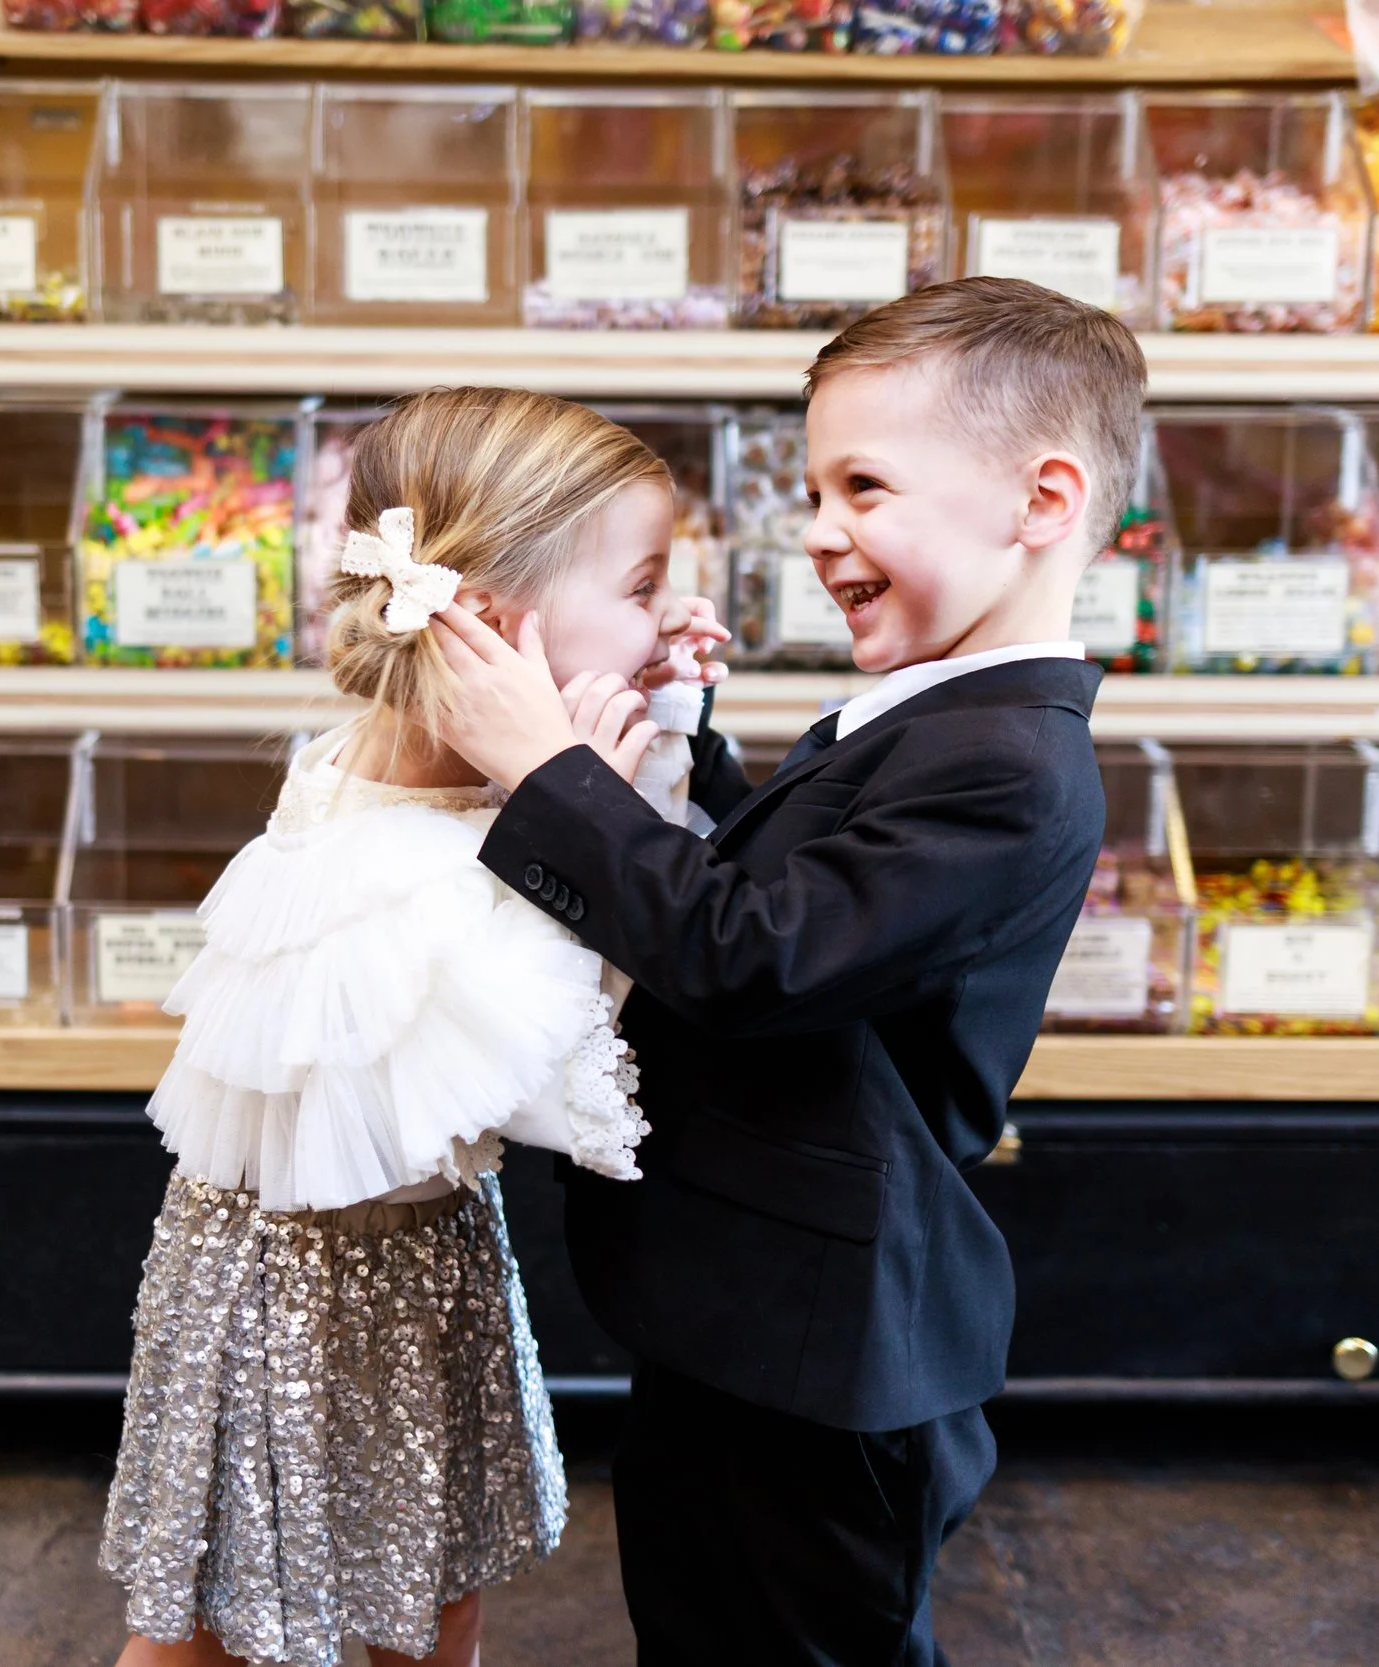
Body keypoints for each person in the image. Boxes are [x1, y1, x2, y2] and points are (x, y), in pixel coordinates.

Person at [431, 277, 1143, 1664]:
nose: (821, 533)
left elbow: (753, 955)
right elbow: (791, 888)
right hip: (760, 1322)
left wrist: (544, 768)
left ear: (1043, 499)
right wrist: (682, 741)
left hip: (830, 1363)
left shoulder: (1008, 762)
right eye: (816, 490)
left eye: (864, 487)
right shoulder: (940, 712)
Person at [101, 386, 726, 1667]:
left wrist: (648, 734)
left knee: (426, 1605)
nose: (667, 614)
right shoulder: (391, 837)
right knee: (217, 1633)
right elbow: (555, 1064)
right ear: (502, 623)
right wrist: (595, 792)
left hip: (413, 1262)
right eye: (645, 584)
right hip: (299, 1301)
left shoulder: (459, 773)